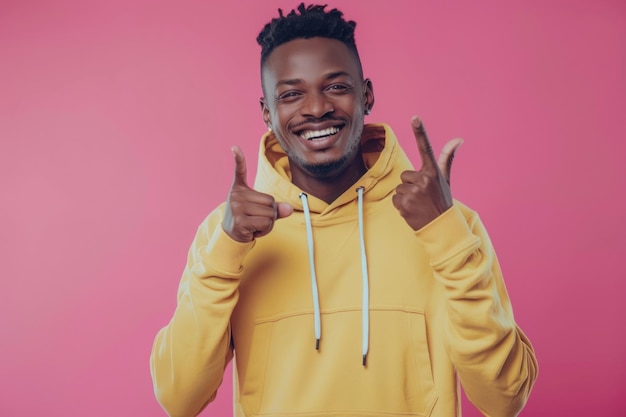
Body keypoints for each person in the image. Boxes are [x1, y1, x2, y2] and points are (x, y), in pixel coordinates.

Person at [150, 3, 538, 417]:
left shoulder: (447, 224)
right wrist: (226, 251)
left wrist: (446, 236)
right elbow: (179, 397)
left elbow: (504, 399)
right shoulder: (225, 235)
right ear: (267, 112)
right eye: (291, 94)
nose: (316, 108)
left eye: (336, 87)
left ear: (366, 94)